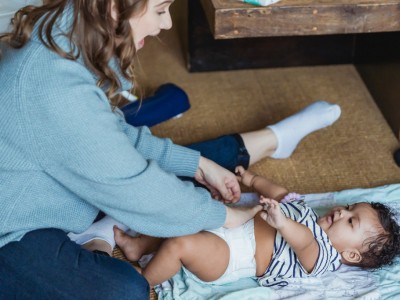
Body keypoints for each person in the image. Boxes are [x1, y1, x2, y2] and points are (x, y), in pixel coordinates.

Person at [0, 0, 342, 298]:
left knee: (185, 169)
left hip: (55, 184)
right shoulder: (57, 89)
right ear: (116, 7)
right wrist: (225, 216)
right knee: (124, 290)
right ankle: (98, 233)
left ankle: (274, 138)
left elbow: (115, 135)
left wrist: (198, 165)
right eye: (161, 9)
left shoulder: (67, 33)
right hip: (14, 232)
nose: (167, 23)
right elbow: (138, 187)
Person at [113, 166, 400, 288]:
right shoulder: (308, 212)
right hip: (228, 222)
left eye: (350, 221)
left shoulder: (324, 257)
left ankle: (145, 280)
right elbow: (281, 194)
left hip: (232, 256)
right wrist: (251, 179)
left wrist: (283, 222)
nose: (341, 212)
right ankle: (139, 246)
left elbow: (304, 243)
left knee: (181, 244)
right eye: (348, 209)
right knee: (182, 215)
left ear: (351, 255)